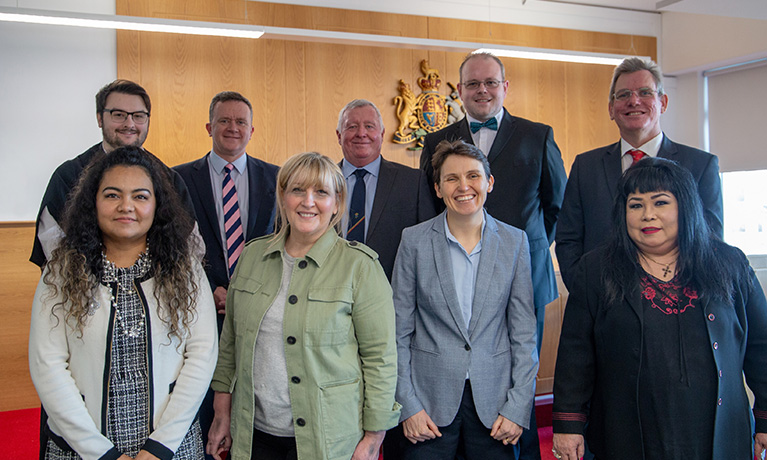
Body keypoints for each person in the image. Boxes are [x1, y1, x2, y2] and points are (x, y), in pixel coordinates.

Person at [551, 157, 767, 460]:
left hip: (717, 430)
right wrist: (567, 424)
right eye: (636, 205)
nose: (647, 215)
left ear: (685, 207)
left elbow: (761, 346)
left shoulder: (729, 263)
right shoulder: (597, 269)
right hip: (628, 433)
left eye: (660, 202)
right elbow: (576, 352)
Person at [419, 52, 566, 459]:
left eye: (490, 82)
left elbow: (558, 206)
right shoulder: (435, 141)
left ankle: (522, 450)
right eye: (472, 84)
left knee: (520, 367)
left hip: (523, 273)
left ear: (505, 87)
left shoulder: (538, 134)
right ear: (460, 90)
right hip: (454, 271)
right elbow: (431, 210)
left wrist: (521, 247)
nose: (482, 90)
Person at [207, 152, 400, 460]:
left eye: (321, 192)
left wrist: (375, 436)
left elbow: (381, 359)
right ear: (283, 197)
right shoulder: (252, 257)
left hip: (330, 439)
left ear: (336, 203)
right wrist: (221, 415)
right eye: (297, 190)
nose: (308, 201)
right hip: (255, 435)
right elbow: (230, 341)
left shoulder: (360, 267)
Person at [28, 146, 218, 460]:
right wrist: (99, 452)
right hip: (80, 450)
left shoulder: (185, 268)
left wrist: (160, 447)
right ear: (93, 202)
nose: (126, 206)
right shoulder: (61, 270)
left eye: (141, 196)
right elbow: (47, 365)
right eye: (112, 195)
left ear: (157, 204)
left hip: (172, 447)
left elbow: (201, 355)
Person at [394, 139, 539, 460]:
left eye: (473, 176)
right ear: (437, 188)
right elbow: (397, 333)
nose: (464, 186)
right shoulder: (414, 242)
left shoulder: (515, 242)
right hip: (428, 406)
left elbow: (524, 334)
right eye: (451, 178)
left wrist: (518, 406)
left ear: (489, 182)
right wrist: (408, 406)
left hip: (496, 406)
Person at [555, 57, 723, 291]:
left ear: (662, 102)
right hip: (602, 304)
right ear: (611, 109)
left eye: (645, 92)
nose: (634, 101)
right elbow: (568, 239)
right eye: (623, 95)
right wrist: (586, 292)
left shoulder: (700, 165)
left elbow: (711, 242)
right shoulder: (586, 166)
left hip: (678, 305)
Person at [173, 90, 278, 458]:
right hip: (201, 314)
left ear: (252, 129)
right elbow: (174, 250)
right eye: (224, 121)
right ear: (209, 126)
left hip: (260, 314)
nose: (233, 128)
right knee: (203, 405)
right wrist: (207, 291)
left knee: (252, 406)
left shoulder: (277, 179)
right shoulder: (178, 179)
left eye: (240, 122)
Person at [31, 79, 196, 269]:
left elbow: (190, 246)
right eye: (119, 115)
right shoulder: (68, 176)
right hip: (85, 289)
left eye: (138, 116)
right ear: (100, 118)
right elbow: (52, 249)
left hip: (154, 291)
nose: (129, 123)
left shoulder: (170, 180)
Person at [337, 99, 436, 281]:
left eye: (369, 126)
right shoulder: (321, 182)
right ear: (338, 136)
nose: (361, 133)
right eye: (351, 127)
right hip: (328, 295)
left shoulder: (413, 183)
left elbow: (428, 245)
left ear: (382, 134)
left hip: (393, 294)